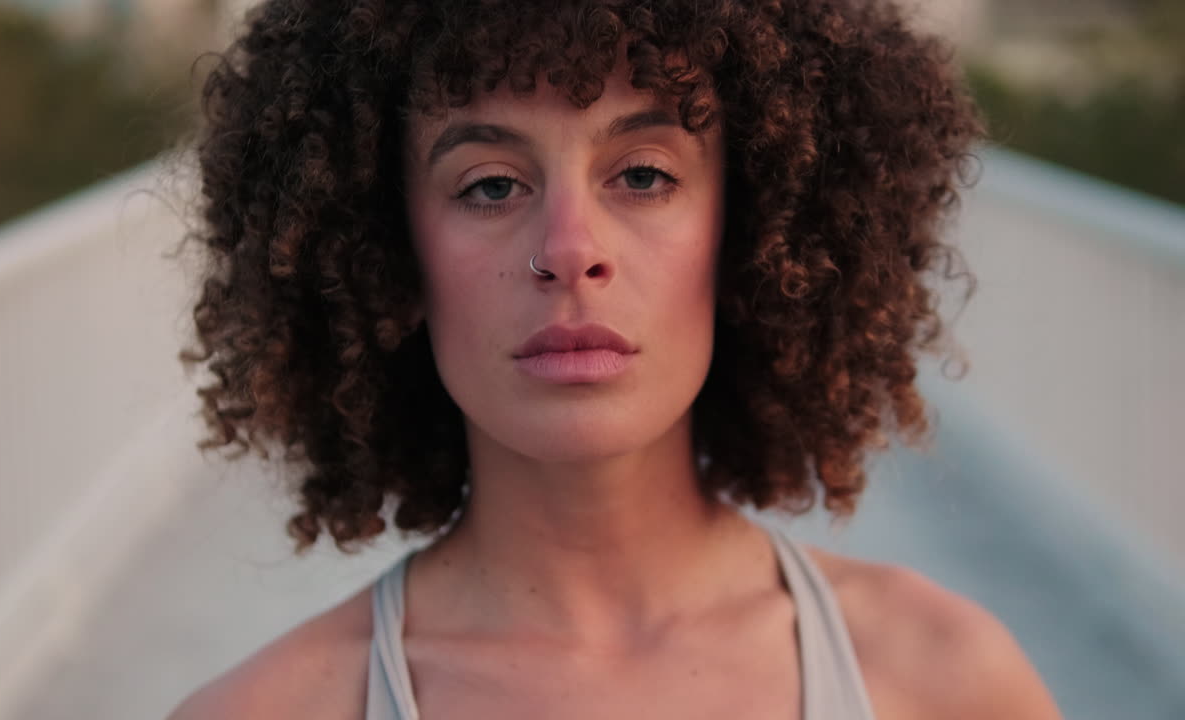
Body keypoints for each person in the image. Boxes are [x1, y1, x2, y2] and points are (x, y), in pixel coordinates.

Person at [169, 0, 1062, 717]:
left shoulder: (944, 680)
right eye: (489, 185)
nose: (570, 249)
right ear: (387, 255)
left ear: (751, 233)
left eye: (643, 174)